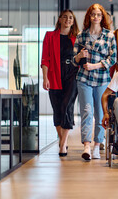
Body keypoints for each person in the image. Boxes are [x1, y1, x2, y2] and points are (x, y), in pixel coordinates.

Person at [72, 3, 117, 161]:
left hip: (102, 80)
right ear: (89, 17)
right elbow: (73, 59)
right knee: (86, 111)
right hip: (83, 79)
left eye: (98, 15)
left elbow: (113, 59)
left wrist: (95, 65)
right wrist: (79, 57)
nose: (95, 17)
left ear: (102, 17)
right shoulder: (81, 35)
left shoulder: (109, 35)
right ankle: (86, 146)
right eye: (93, 15)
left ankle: (98, 145)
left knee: (100, 113)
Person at [41, 9, 80, 157]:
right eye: (65, 17)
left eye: (70, 18)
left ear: (73, 21)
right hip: (55, 74)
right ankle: (62, 137)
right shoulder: (50, 36)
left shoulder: (77, 38)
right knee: (57, 108)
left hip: (72, 73)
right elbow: (45, 58)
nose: (68, 20)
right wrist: (45, 78)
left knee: (67, 105)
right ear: (60, 19)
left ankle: (63, 144)